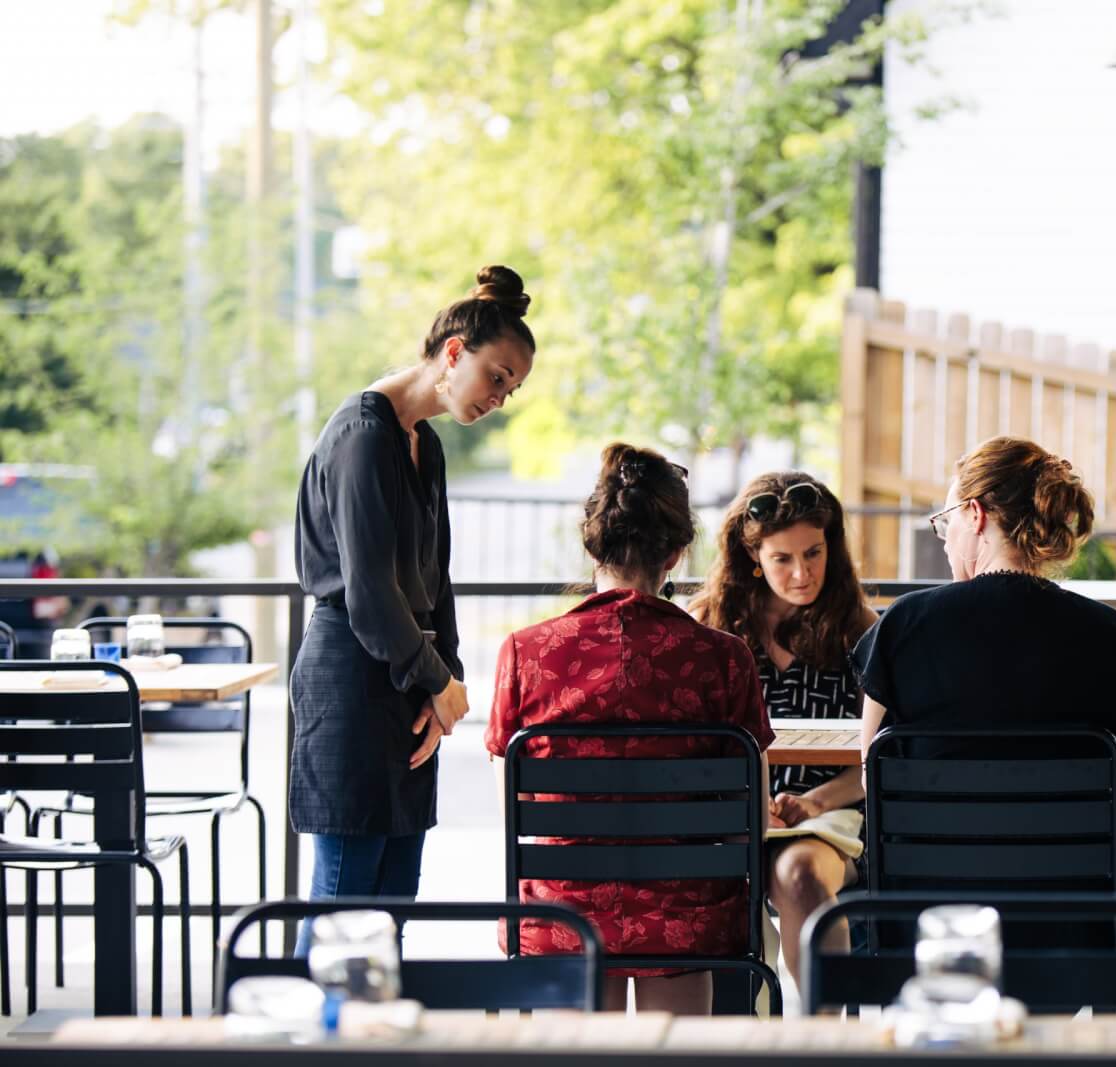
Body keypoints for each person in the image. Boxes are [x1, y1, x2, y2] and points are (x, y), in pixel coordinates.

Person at [290, 265, 535, 952]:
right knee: (344, 900)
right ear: (454, 351)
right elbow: (367, 592)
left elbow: (438, 580)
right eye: (498, 375)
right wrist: (436, 680)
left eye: (511, 387)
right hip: (347, 678)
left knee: (394, 901)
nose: (501, 397)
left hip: (404, 679)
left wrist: (444, 680)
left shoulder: (424, 446)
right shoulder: (362, 434)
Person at [485, 443, 776, 1015]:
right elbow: (753, 818)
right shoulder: (723, 658)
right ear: (676, 553)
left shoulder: (526, 653)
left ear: (593, 542)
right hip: (687, 915)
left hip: (562, 912)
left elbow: (512, 810)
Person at [852, 435, 1116, 815]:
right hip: (1074, 867)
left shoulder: (903, 624)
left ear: (975, 514)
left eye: (947, 522)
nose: (945, 542)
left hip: (931, 865)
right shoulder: (1109, 632)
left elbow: (872, 779)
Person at [692, 473, 877, 985]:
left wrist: (814, 801)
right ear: (753, 559)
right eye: (782, 559)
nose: (802, 573)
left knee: (796, 873)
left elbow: (881, 756)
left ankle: (819, 1036)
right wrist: (751, 806)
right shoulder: (709, 626)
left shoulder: (858, 629)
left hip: (833, 814)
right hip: (733, 814)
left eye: (814, 553)